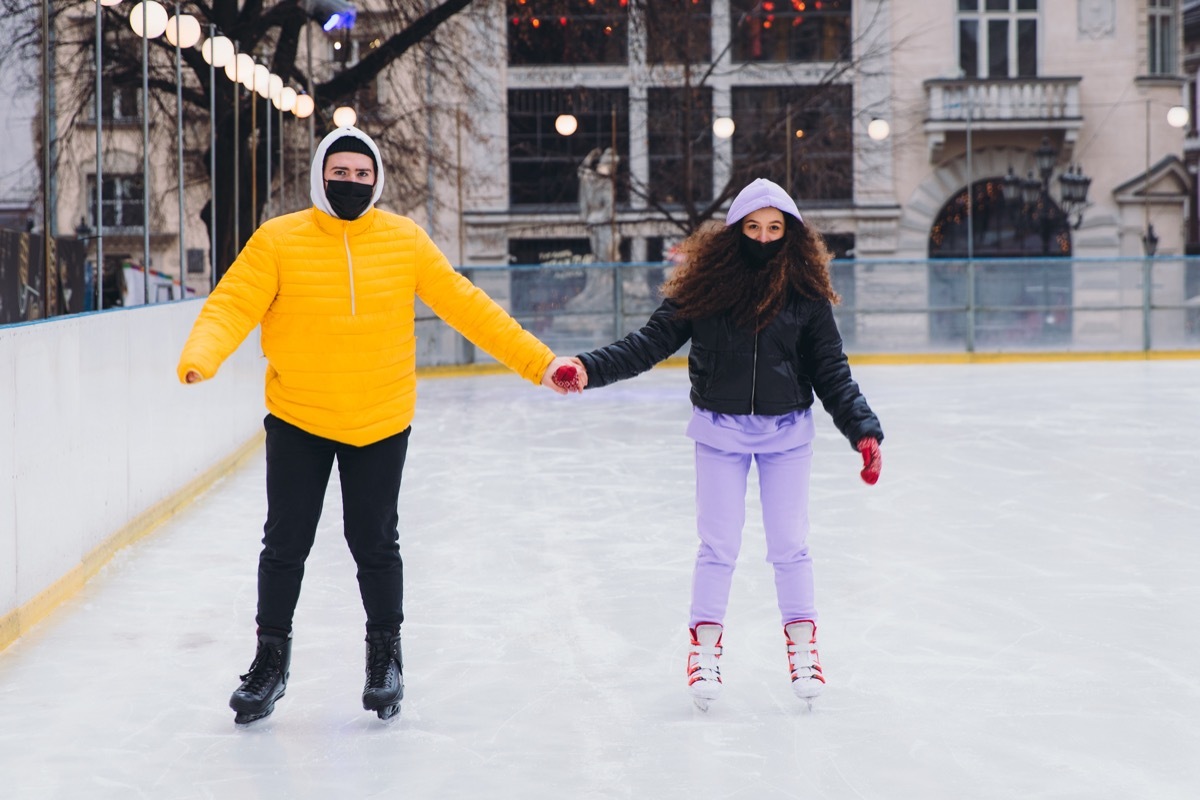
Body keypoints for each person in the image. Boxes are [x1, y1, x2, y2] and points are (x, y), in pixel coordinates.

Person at [177, 126, 581, 725]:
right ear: (320, 175)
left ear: (377, 181)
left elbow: (467, 306)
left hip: (380, 418)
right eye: (339, 173)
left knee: (374, 544)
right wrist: (202, 355)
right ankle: (270, 664)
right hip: (300, 418)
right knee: (285, 545)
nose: (350, 183)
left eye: (362, 175)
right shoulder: (279, 240)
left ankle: (384, 659)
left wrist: (540, 363)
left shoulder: (404, 240)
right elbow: (232, 303)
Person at [569, 178, 883, 711]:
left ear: (791, 234)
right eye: (753, 228)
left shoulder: (804, 296)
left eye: (774, 229)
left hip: (787, 434)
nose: (763, 238)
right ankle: (705, 651)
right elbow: (647, 344)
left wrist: (863, 429)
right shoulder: (705, 291)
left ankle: (804, 648)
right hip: (719, 431)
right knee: (718, 546)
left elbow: (832, 370)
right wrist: (588, 368)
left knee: (790, 545)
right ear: (735, 231)